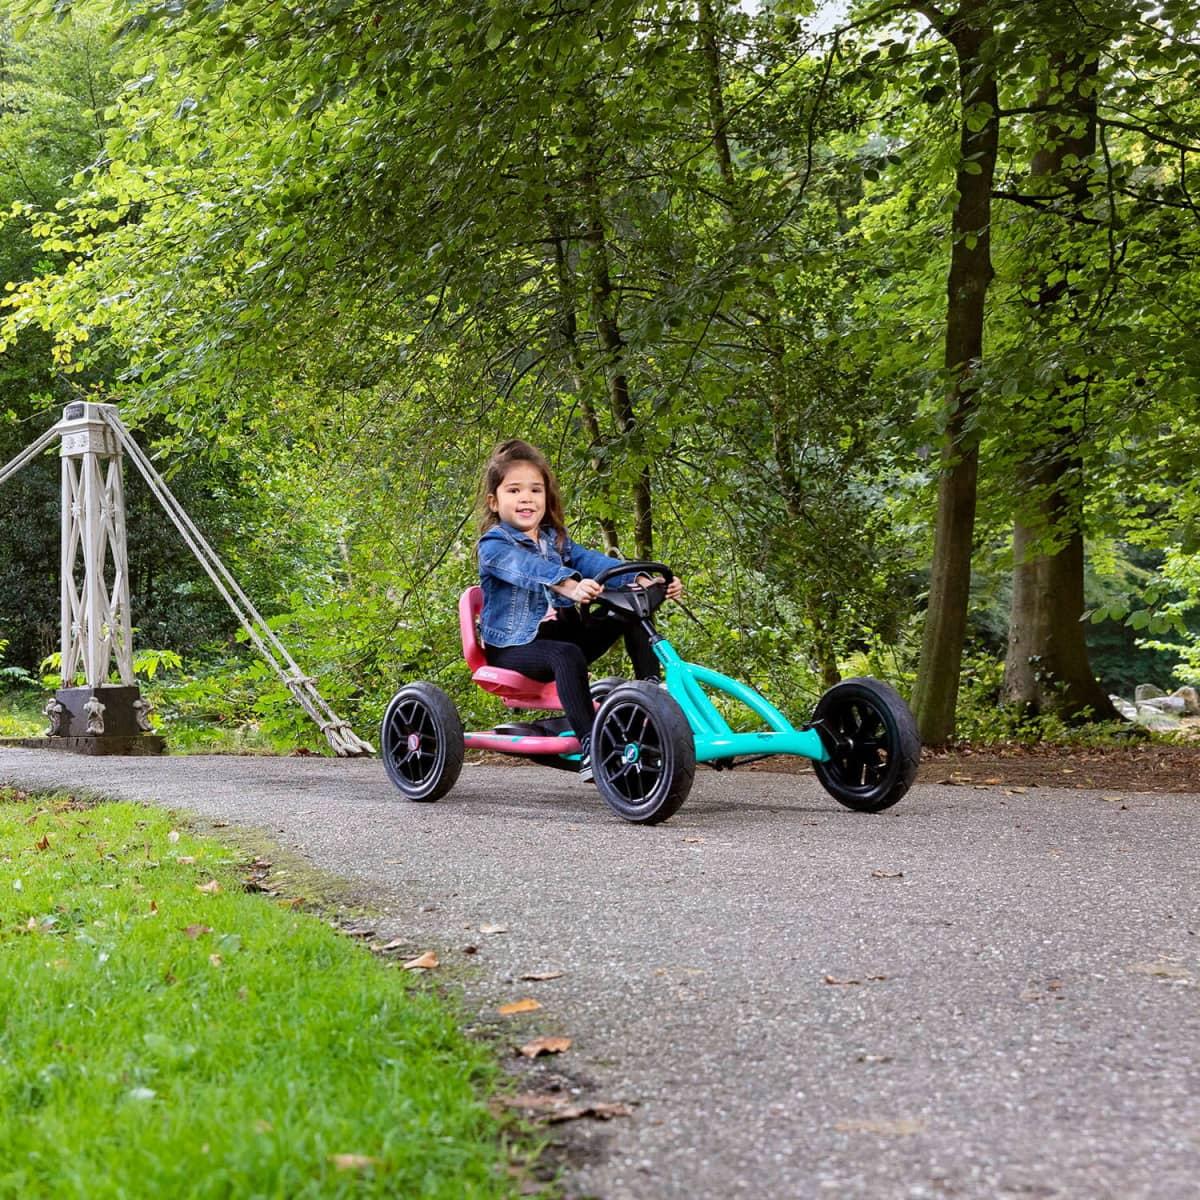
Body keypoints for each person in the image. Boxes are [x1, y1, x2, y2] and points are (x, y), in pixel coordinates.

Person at [476, 439, 682, 782]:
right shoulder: (494, 545)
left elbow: (595, 562)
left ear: (546, 498)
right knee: (566, 655)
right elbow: (525, 568)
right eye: (514, 490)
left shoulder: (555, 540)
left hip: (557, 635)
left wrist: (645, 579)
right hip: (513, 648)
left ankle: (652, 696)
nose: (526, 498)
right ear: (494, 502)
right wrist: (568, 584)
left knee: (630, 609)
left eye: (535, 490)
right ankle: (591, 746)